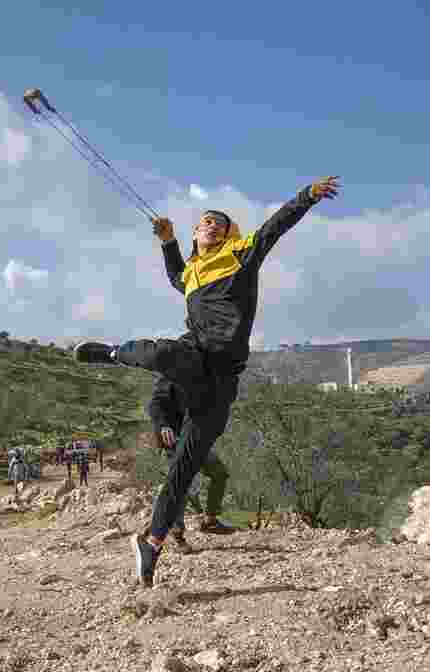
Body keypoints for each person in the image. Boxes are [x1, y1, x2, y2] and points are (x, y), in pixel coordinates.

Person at [74, 177, 340, 587]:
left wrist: (307, 196)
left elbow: (276, 225)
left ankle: (153, 542)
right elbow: (177, 276)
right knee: (162, 355)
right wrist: (167, 243)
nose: (211, 225)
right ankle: (110, 353)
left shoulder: (242, 256)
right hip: (195, 355)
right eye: (204, 222)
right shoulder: (193, 274)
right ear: (196, 233)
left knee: (184, 468)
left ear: (228, 233)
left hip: (222, 383)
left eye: (219, 222)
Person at [147, 375, 233, 555]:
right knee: (180, 486)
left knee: (219, 472)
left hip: (194, 439)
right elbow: (155, 404)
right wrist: (163, 425)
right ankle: (177, 536)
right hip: (173, 441)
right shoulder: (170, 375)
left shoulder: (198, 373)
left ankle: (210, 520)